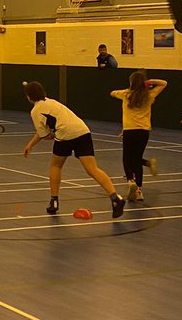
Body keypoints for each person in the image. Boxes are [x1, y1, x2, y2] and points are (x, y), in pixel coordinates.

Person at [22, 81, 127, 219]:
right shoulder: (52, 102)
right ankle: (115, 198)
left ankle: (54, 201)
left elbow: (45, 135)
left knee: (56, 165)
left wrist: (54, 135)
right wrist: (31, 144)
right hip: (82, 131)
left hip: (65, 136)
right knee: (92, 169)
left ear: (29, 97)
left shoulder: (35, 111)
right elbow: (44, 131)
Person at [109, 72, 166, 202]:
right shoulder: (149, 95)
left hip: (130, 131)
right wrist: (149, 83)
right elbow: (164, 83)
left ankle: (130, 181)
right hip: (144, 132)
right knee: (136, 158)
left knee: (127, 157)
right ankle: (139, 190)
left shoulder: (126, 94)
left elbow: (112, 93)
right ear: (143, 83)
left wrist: (129, 89)